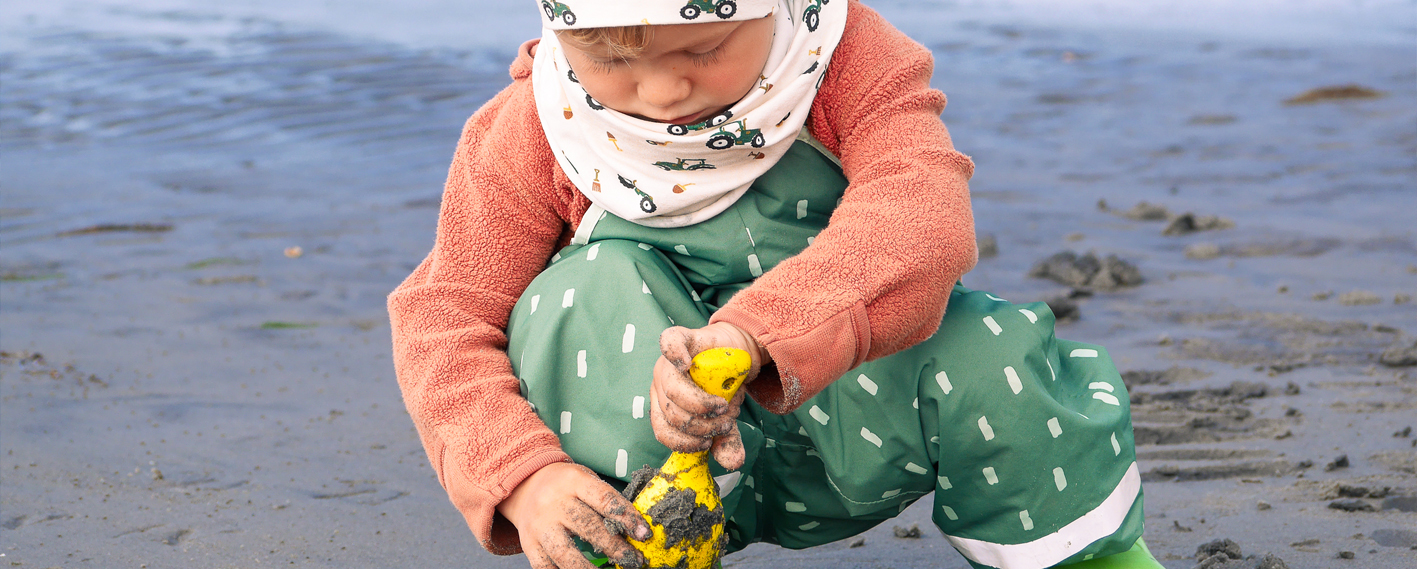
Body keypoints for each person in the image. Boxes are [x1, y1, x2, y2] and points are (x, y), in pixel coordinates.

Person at [389, 1, 1160, 567]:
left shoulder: (844, 58)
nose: (663, 92)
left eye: (704, 46)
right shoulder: (536, 126)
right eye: (613, 62)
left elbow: (922, 216)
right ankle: (640, 552)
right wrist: (523, 476)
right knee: (577, 293)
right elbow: (442, 315)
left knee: (989, 352)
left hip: (850, 406)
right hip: (651, 453)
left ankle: (1080, 558)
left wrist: (754, 336)